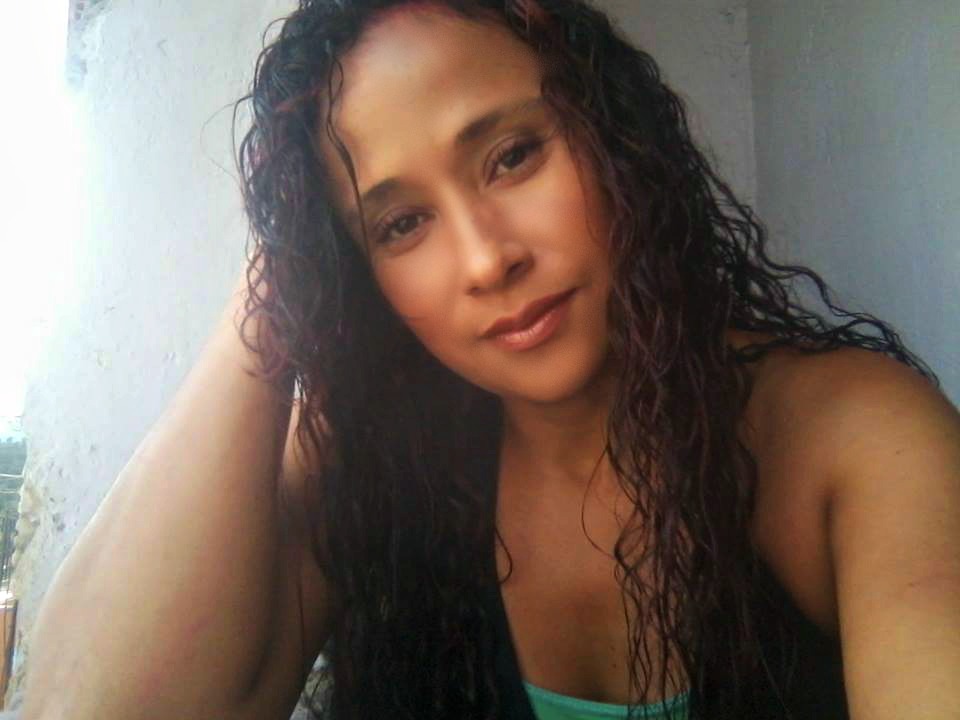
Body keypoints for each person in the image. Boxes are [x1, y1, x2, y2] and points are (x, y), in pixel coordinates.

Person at [21, 1, 960, 719]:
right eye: (400, 224)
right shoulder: (369, 459)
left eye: (512, 156)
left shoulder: (849, 437)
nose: (485, 259)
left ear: (615, 133)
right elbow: (94, 706)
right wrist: (285, 263)